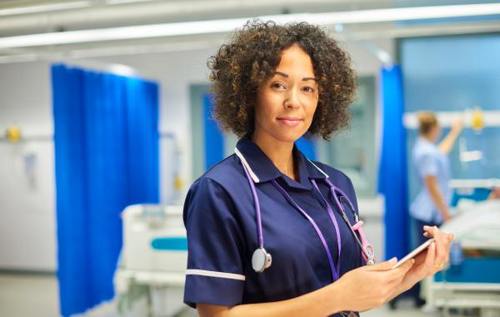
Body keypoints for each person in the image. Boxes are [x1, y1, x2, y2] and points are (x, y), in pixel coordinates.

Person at [183, 21, 453, 317]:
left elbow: (354, 294)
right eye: (278, 85)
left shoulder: (335, 185)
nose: (293, 101)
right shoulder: (220, 191)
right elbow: (217, 315)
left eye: (308, 88)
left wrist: (412, 273)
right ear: (249, 93)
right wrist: (335, 298)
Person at [409, 112, 463, 307]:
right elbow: (432, 186)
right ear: (433, 129)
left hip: (429, 210)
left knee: (427, 256)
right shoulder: (426, 152)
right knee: (426, 257)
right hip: (429, 213)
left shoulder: (427, 148)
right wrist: (445, 212)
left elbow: (441, 151)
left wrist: (455, 131)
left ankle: (424, 297)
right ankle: (421, 298)